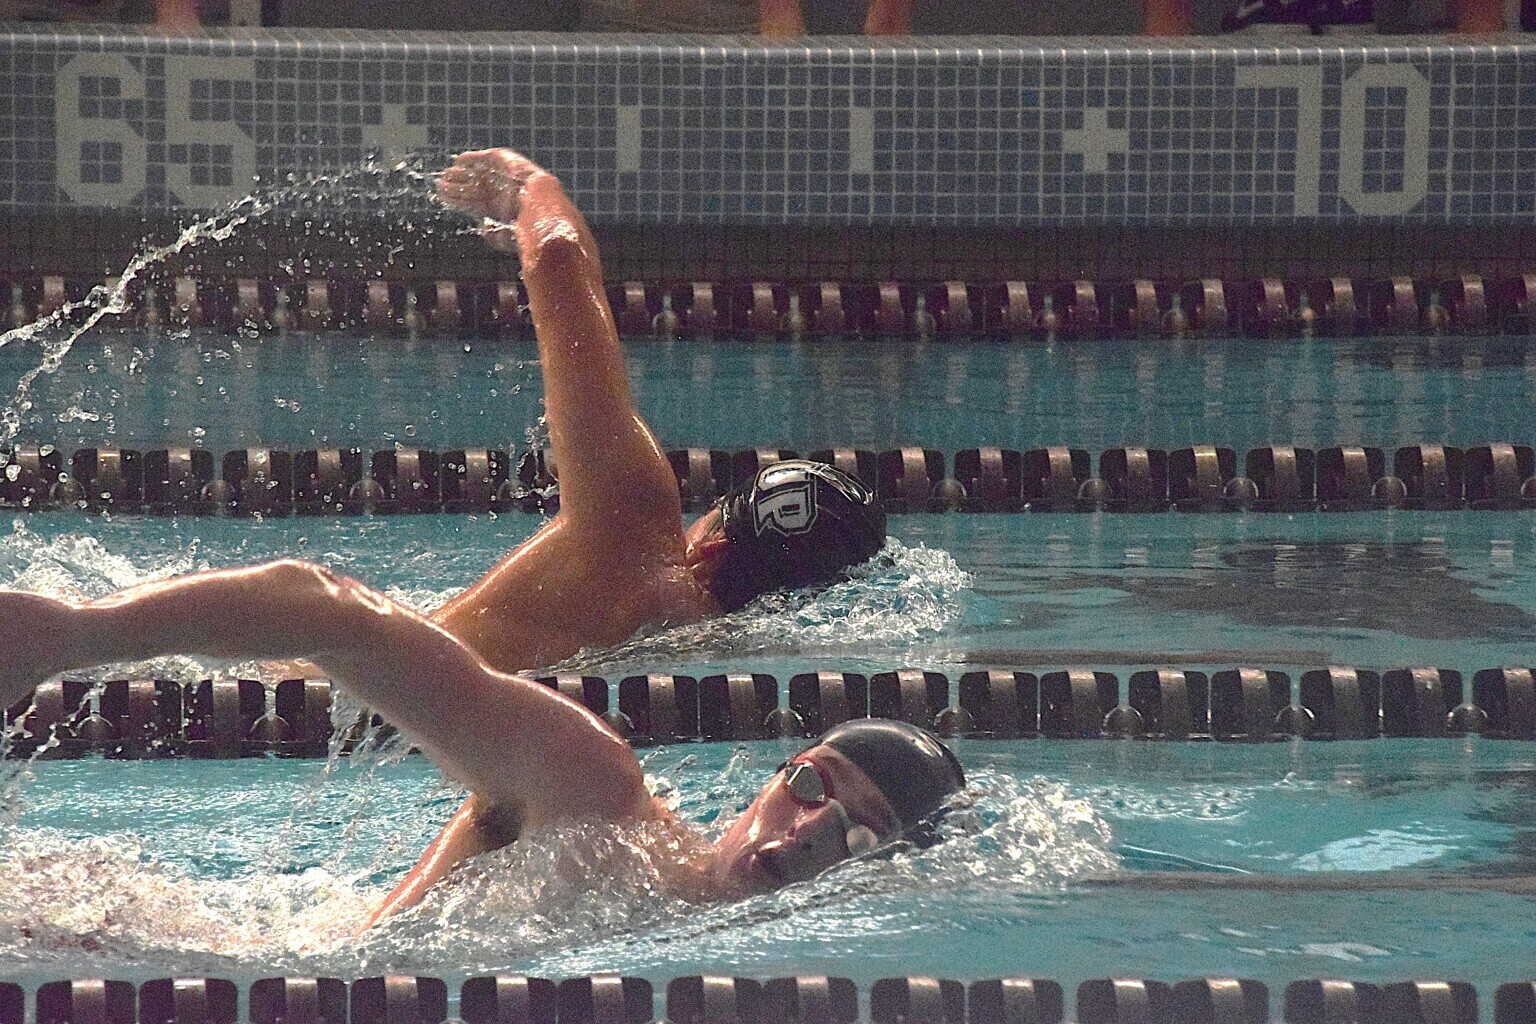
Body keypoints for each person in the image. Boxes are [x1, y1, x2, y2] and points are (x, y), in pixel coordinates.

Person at [0, 148, 958, 926]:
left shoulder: (633, 532)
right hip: (359, 721)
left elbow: (558, 260)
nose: (806, 831)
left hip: (294, 697)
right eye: (812, 785)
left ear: (714, 536)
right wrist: (61, 637)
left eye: (857, 832)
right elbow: (322, 606)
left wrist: (531, 187)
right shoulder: (607, 784)